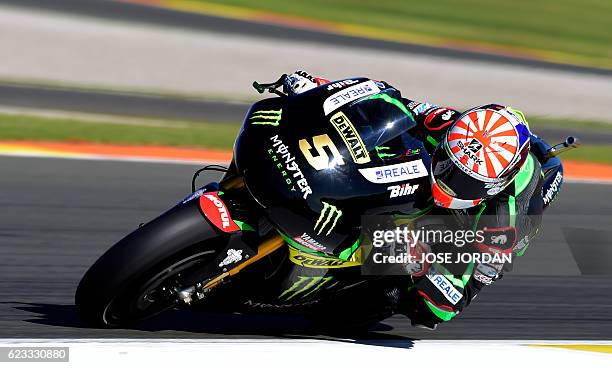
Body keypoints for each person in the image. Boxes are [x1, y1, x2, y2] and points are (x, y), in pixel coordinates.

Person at [281, 70, 565, 329]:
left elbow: (455, 300)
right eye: (447, 165)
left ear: (493, 186)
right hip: (454, 162)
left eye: (464, 181)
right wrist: (319, 89)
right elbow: (389, 103)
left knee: (398, 297)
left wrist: (420, 264)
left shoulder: (504, 222)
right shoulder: (452, 126)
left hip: (470, 228)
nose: (447, 181)